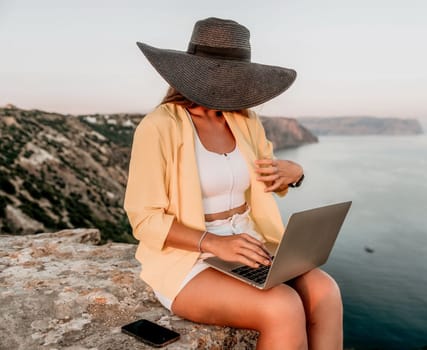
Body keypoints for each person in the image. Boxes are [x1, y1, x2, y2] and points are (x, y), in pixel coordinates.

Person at [124, 17, 343, 349]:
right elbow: (145, 220)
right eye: (221, 77)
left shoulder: (245, 121)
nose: (229, 87)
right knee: (282, 306)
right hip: (186, 259)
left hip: (250, 247)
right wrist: (214, 243)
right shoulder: (159, 127)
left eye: (235, 78)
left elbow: (271, 177)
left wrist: (295, 173)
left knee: (326, 291)